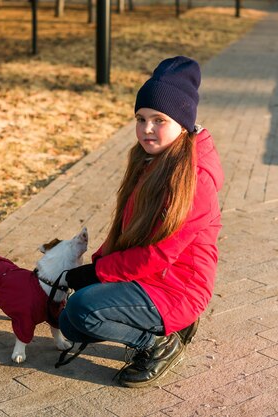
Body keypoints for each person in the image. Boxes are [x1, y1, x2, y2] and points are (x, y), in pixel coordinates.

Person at [59, 56, 224, 388]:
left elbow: (159, 255)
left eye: (158, 120)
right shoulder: (150, 158)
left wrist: (97, 274)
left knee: (84, 311)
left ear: (183, 122)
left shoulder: (193, 181)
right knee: (70, 323)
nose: (147, 129)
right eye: (141, 118)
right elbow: (124, 225)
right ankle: (162, 326)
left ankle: (160, 343)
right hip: (147, 277)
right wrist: (99, 264)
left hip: (177, 287)